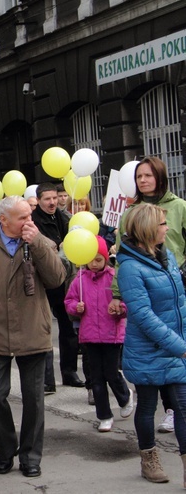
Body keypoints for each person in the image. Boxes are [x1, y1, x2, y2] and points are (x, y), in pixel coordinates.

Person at [0, 196, 66, 478]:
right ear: (3, 220)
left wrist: (39, 242)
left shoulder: (39, 241)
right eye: (22, 218)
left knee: (34, 397)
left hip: (32, 328)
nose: (28, 221)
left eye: (30, 216)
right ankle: (7, 448)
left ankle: (31, 455)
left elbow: (57, 279)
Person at [110, 156, 186, 434]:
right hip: (146, 287)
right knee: (156, 355)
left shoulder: (179, 207)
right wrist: (117, 294)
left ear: (160, 177)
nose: (142, 180)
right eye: (139, 176)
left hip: (176, 281)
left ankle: (171, 412)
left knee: (176, 366)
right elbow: (121, 256)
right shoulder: (131, 213)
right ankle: (149, 450)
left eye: (148, 175)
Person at [116, 203, 186, 484]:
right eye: (162, 224)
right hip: (148, 349)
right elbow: (143, 315)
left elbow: (178, 301)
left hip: (174, 346)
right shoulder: (130, 268)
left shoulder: (165, 255)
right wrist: (178, 345)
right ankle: (149, 459)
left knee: (182, 406)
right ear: (147, 229)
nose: (167, 228)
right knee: (146, 406)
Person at [64, 236, 133, 432]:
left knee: (111, 372)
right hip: (89, 335)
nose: (94, 264)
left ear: (105, 259)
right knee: (96, 377)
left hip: (111, 334)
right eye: (90, 259)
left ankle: (124, 396)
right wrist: (76, 308)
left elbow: (127, 301)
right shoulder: (79, 279)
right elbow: (69, 301)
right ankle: (104, 415)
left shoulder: (114, 278)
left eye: (98, 259)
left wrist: (120, 308)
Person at [32, 182, 82, 392]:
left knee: (68, 326)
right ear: (39, 201)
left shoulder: (66, 218)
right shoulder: (33, 221)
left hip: (66, 278)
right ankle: (47, 380)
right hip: (42, 279)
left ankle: (69, 372)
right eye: (47, 199)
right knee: (43, 328)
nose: (52, 202)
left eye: (55, 198)